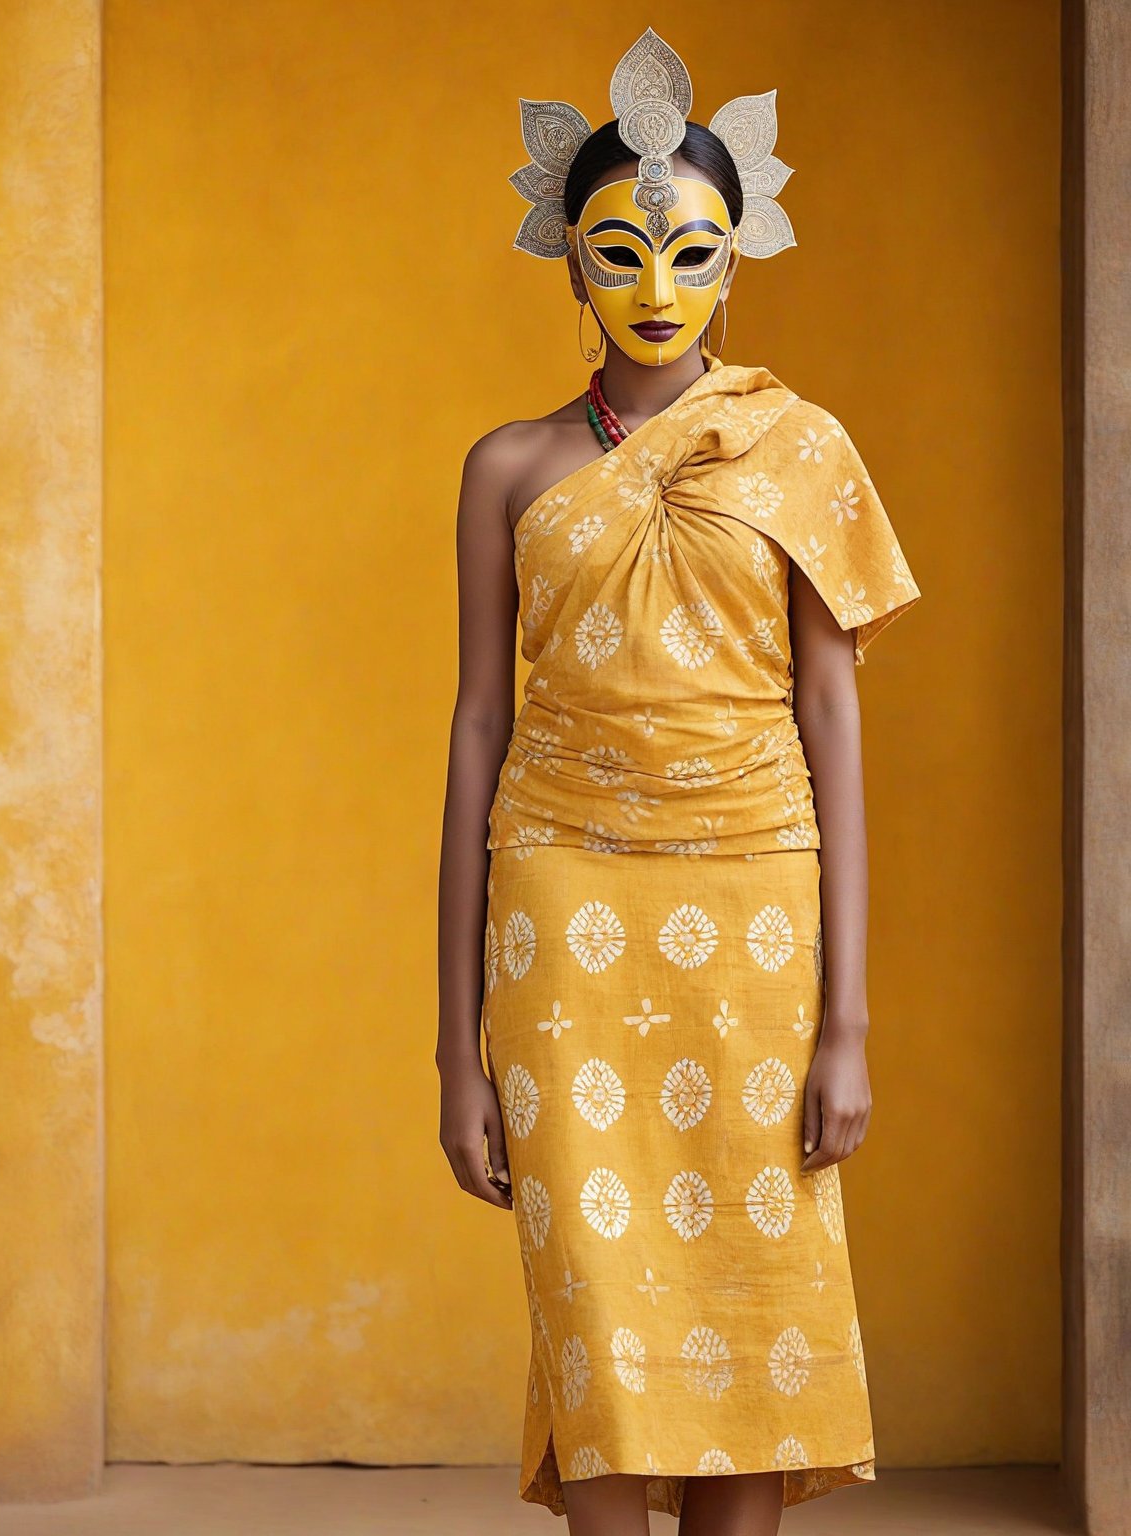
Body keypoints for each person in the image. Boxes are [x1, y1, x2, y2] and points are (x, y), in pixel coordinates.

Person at [436, 28, 922, 1536]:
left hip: (757, 924)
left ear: (739, 261)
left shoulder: (801, 450)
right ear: (569, 264)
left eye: (692, 252)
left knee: (748, 1313)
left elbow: (833, 717)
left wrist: (846, 1021)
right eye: (621, 253)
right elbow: (474, 732)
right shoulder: (508, 468)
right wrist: (454, 1050)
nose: (658, 289)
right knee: (601, 1333)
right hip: (560, 925)